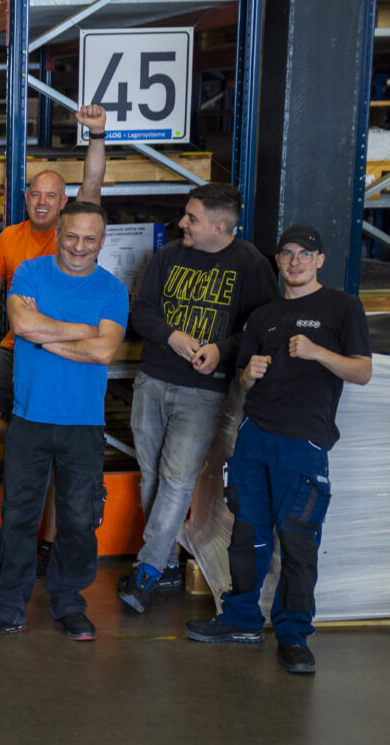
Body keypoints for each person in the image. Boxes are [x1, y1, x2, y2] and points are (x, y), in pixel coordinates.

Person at [185, 225, 372, 675]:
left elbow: (362, 371)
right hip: (255, 436)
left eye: (304, 254)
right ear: (278, 260)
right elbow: (242, 382)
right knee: (248, 534)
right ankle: (242, 619)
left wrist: (317, 352)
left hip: (303, 442)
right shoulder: (263, 316)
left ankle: (293, 635)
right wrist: (248, 373)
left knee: (298, 540)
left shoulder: (342, 308)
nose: (294, 262)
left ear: (320, 260)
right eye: (286, 254)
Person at [0, 105, 109, 570]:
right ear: (26, 197)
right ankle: (21, 442)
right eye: (35, 195)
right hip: (18, 352)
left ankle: (50, 546)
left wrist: (96, 136)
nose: (42, 203)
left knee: (61, 453)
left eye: (51, 196)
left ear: (64, 203)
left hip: (67, 359)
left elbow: (93, 186)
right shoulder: (9, 239)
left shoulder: (72, 236)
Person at [0, 202, 128, 643]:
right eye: (72, 236)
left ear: (102, 241)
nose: (79, 246)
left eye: (89, 239)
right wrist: (83, 329)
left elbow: (103, 352)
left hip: (83, 423)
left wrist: (45, 335)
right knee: (18, 517)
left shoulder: (113, 290)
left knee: (78, 520)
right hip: (29, 418)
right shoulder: (31, 273)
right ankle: (6, 608)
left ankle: (70, 604)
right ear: (59, 233)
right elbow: (21, 325)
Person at [117, 184, 277, 612]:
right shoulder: (169, 256)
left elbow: (262, 330)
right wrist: (173, 336)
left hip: (203, 393)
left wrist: (221, 350)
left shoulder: (251, 265)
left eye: (192, 218)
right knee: (151, 476)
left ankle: (147, 570)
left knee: (176, 481)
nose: (182, 224)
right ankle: (166, 561)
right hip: (152, 381)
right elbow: (143, 311)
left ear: (220, 226)